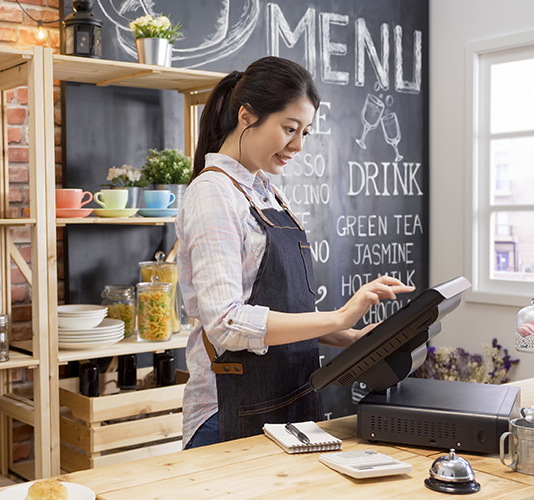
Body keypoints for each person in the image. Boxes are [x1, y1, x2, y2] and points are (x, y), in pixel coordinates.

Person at [176, 56, 415, 449]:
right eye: (289, 129)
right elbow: (225, 322)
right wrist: (337, 316)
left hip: (290, 403)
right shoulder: (212, 193)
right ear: (246, 116)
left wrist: (350, 337)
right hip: (231, 414)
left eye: (305, 132)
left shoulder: (268, 192)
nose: (298, 145)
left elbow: (284, 307)